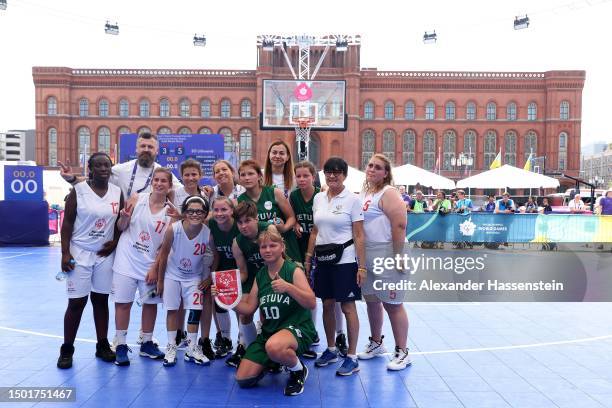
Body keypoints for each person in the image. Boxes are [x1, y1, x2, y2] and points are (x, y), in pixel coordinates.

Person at [60, 132, 180, 347]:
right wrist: (71, 178)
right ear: (136, 148)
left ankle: (142, 341)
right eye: (142, 146)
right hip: (123, 245)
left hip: (136, 252)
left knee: (138, 302)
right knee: (104, 301)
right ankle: (111, 342)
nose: (146, 150)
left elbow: (186, 194)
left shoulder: (166, 183)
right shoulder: (121, 172)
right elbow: (95, 179)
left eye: (150, 147)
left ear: (157, 151)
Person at [213, 227, 316, 396]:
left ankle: (298, 370)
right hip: (270, 333)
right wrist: (226, 298)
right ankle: (274, 360)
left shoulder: (293, 270)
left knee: (274, 347)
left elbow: (311, 302)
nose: (267, 250)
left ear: (282, 247)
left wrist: (288, 287)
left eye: (272, 245)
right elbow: (248, 309)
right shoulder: (261, 275)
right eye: (263, 247)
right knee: (243, 379)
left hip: (298, 328)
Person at [57, 153, 121, 369]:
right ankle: (67, 349)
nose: (104, 168)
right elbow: (67, 223)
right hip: (80, 252)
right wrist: (65, 253)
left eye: (107, 165)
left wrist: (115, 241)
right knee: (76, 303)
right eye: (99, 165)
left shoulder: (117, 192)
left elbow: (121, 221)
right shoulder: (79, 191)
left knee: (101, 300)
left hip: (104, 255)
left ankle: (102, 345)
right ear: (90, 168)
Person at [307, 157, 365, 376]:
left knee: (348, 307)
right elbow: (315, 231)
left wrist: (362, 267)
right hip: (323, 259)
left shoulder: (352, 200)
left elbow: (359, 235)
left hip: (346, 260)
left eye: (337, 172)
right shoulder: (319, 198)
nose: (332, 175)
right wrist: (308, 258)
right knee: (327, 304)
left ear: (344, 175)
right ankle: (330, 349)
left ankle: (352, 357)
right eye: (329, 172)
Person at [111, 167, 173, 366]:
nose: (159, 183)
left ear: (170, 186)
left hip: (149, 265)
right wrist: (124, 218)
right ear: (152, 182)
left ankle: (147, 343)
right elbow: (121, 227)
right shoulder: (137, 199)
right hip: (126, 259)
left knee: (150, 304)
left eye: (164, 181)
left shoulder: (171, 212)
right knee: (123, 303)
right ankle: (120, 344)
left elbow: (165, 245)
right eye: (156, 180)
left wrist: (156, 267)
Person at [358, 154, 411, 371]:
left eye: (377, 167)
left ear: (386, 173)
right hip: (368, 255)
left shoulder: (389, 193)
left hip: (388, 253)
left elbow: (399, 226)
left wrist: (398, 256)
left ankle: (402, 351)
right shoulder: (365, 193)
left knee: (393, 304)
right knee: (372, 301)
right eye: (370, 165)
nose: (371, 169)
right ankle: (376, 342)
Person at [289, 161, 348, 358]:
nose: (302, 179)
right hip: (301, 249)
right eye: (299, 176)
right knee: (308, 294)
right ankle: (311, 333)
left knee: (333, 297)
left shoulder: (321, 195)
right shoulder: (294, 196)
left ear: (313, 177)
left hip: (324, 249)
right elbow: (289, 216)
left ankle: (340, 334)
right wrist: (295, 221)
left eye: (306, 175)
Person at [157, 195, 214, 366]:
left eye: (199, 211)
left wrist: (210, 277)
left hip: (194, 277)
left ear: (205, 214)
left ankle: (191, 347)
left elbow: (215, 256)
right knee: (172, 310)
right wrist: (160, 281)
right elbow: (163, 255)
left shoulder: (208, 233)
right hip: (172, 275)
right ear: (185, 213)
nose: (195, 214)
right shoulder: (173, 229)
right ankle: (171, 345)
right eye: (191, 211)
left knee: (195, 311)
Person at [226, 201, 267, 368]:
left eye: (247, 221)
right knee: (244, 314)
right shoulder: (237, 242)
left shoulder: (268, 231)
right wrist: (227, 287)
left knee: (267, 315)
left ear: (256, 219)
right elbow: (243, 272)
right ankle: (251, 351)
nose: (243, 226)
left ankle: (270, 352)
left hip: (271, 277)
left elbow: (282, 261)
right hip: (251, 279)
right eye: (240, 222)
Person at [237, 160, 302, 264]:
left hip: (285, 244)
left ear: (259, 175)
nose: (247, 178)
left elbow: (292, 217)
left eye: (250, 173)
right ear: (239, 179)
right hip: (264, 250)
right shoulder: (240, 201)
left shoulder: (274, 192)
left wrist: (284, 228)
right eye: (243, 175)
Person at [208, 196, 240, 358]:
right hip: (222, 270)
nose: (219, 213)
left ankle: (243, 342)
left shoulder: (239, 226)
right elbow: (214, 253)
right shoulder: (211, 224)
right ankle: (225, 339)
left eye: (224, 209)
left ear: (232, 211)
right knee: (219, 304)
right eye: (216, 210)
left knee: (240, 307)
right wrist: (211, 275)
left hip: (240, 270)